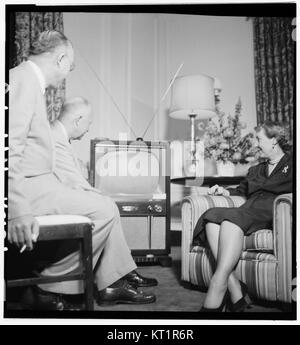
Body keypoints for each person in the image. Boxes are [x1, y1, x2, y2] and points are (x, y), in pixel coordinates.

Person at [7, 30, 157, 310]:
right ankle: (49, 285)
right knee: (103, 209)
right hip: (30, 188)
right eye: (70, 67)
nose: (67, 75)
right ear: (61, 58)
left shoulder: (25, 79)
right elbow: (10, 150)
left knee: (102, 205)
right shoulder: (24, 80)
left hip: (40, 183)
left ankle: (102, 281)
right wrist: (18, 210)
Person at [193, 121, 292, 312]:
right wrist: (224, 191)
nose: (256, 143)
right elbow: (241, 190)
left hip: (272, 210)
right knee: (211, 217)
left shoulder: (292, 162)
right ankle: (234, 286)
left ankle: (218, 284)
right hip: (249, 208)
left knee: (231, 220)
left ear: (274, 140)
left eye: (259, 138)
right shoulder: (256, 169)